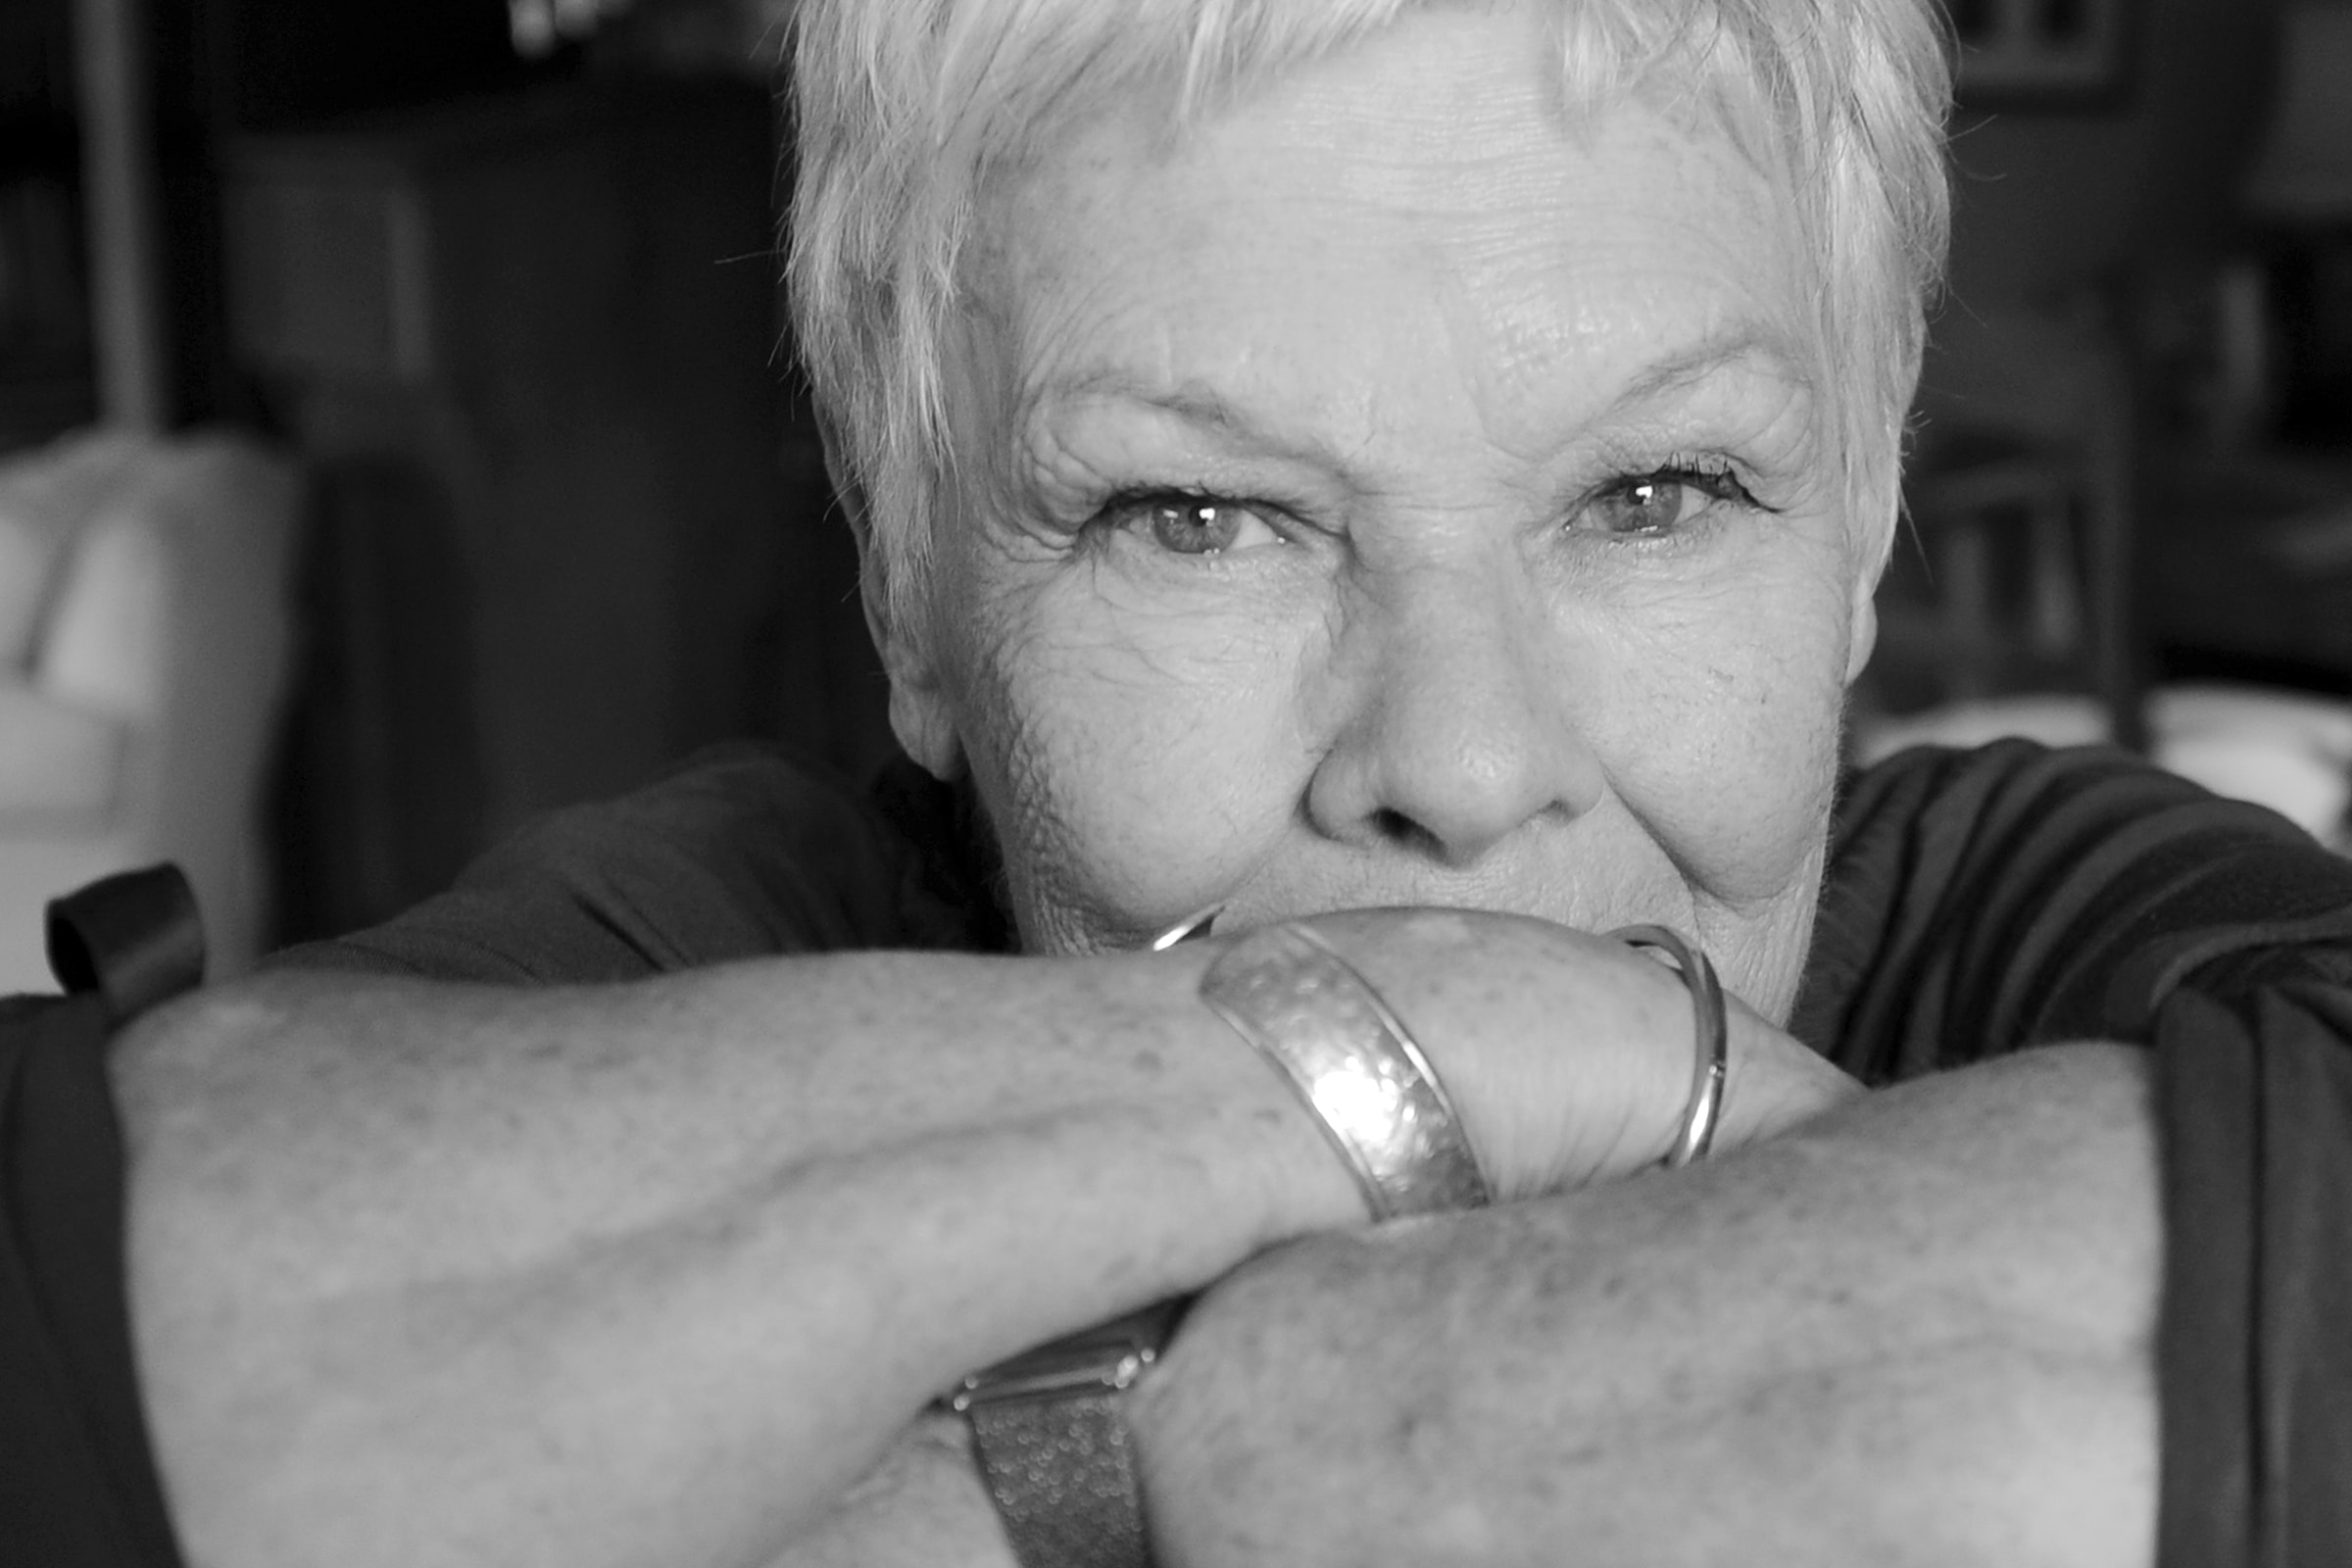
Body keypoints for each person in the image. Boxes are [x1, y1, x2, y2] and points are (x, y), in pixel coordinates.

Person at [11, 0, 2349, 1563]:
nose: (1463, 766)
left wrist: (1086, 1442)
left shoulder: (2045, 918)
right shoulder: (745, 927)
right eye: (1199, 516)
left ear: (1865, 536)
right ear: (909, 589)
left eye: (1655, 495)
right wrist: (1520, 1046)